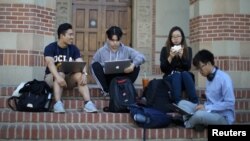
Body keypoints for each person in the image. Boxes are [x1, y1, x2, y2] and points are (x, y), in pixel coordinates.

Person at [44, 23, 98, 113]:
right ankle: (57, 104)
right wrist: (58, 77)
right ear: (62, 35)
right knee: (60, 73)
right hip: (52, 78)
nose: (72, 37)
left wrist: (84, 74)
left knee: (79, 75)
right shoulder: (50, 47)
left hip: (67, 79)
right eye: (70, 34)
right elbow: (50, 63)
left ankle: (88, 103)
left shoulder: (73, 48)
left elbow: (80, 62)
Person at [178, 49, 235, 130]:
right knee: (182, 103)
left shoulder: (224, 79)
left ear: (208, 63)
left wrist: (207, 108)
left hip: (222, 117)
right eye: (198, 69)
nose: (200, 72)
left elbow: (229, 103)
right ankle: (198, 122)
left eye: (200, 68)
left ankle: (188, 124)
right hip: (208, 111)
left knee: (199, 115)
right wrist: (204, 106)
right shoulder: (209, 78)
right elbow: (211, 102)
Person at [91, 26, 145, 96]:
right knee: (95, 65)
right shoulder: (101, 51)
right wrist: (103, 68)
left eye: (117, 40)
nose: (115, 43)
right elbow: (93, 66)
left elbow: (142, 57)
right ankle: (106, 91)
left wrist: (132, 65)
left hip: (122, 78)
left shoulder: (126, 50)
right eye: (112, 40)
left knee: (136, 66)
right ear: (108, 39)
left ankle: (125, 87)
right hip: (108, 79)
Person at [160, 26, 198, 104]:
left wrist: (181, 56)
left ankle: (195, 102)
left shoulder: (188, 49)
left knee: (185, 73)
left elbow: (187, 67)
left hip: (184, 79)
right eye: (173, 37)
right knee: (177, 75)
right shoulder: (165, 50)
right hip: (170, 78)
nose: (176, 38)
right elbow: (163, 69)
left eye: (178, 36)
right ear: (170, 39)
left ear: (182, 37)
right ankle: (178, 103)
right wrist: (170, 57)